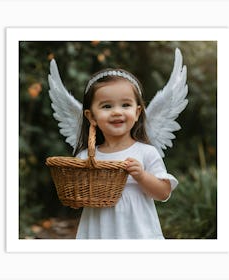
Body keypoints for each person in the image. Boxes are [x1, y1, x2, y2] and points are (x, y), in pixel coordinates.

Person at [73, 68, 178, 239]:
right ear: (91, 116)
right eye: (107, 106)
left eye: (125, 105)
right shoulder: (86, 157)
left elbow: (163, 193)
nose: (117, 112)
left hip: (138, 233)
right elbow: (76, 196)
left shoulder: (145, 152)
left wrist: (142, 176)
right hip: (99, 233)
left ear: (137, 112)